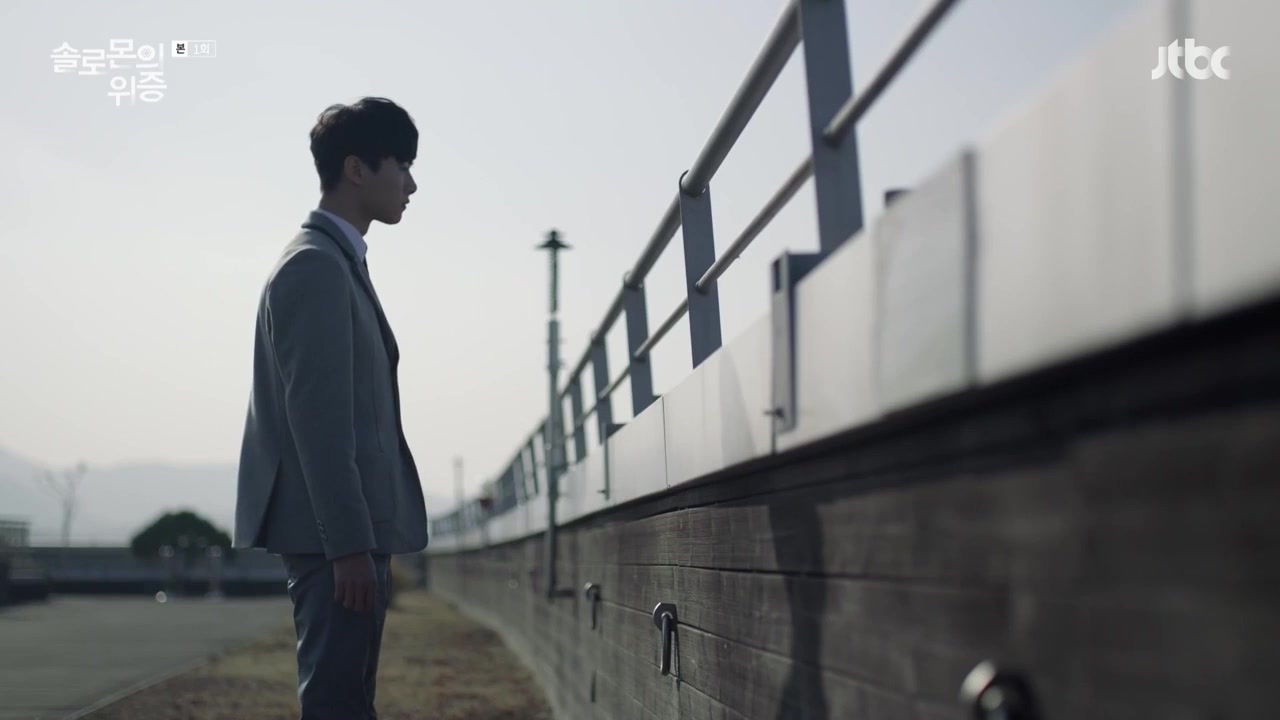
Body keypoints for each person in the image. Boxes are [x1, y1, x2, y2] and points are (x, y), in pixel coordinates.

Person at [233, 96, 429, 719]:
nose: (411, 185)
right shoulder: (316, 267)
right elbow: (319, 425)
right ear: (356, 169)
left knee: (346, 701)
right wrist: (347, 546)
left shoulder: (335, 262)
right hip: (334, 542)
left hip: (347, 536)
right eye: (402, 166)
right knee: (338, 704)